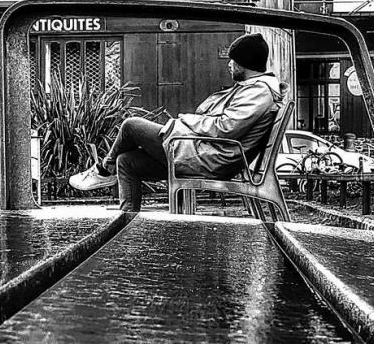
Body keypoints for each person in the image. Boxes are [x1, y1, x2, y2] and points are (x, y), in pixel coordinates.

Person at [69, 32, 287, 212]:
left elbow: (226, 127)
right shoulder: (254, 88)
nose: (229, 65)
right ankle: (127, 222)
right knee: (127, 161)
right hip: (208, 152)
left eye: (234, 61)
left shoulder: (259, 91)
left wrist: (185, 123)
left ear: (245, 63)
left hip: (213, 158)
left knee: (131, 126)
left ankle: (103, 171)